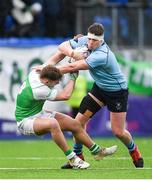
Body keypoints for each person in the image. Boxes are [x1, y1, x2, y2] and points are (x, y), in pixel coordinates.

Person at [35, 23, 144, 168]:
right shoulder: (85, 40)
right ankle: (77, 157)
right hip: (99, 89)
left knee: (118, 131)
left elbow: (72, 67)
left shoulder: (102, 55)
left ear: (101, 41)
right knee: (77, 124)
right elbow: (62, 46)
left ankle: (134, 151)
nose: (90, 43)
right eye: (90, 39)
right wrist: (74, 53)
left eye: (94, 41)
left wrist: (47, 70)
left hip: (117, 92)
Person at [15, 64, 117, 169]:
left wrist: (70, 55)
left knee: (75, 125)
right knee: (53, 123)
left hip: (39, 114)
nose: (57, 83)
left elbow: (55, 59)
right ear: (46, 82)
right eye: (55, 82)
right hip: (26, 121)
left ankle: (98, 152)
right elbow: (65, 95)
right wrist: (73, 78)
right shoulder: (40, 90)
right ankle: (72, 159)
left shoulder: (36, 73)